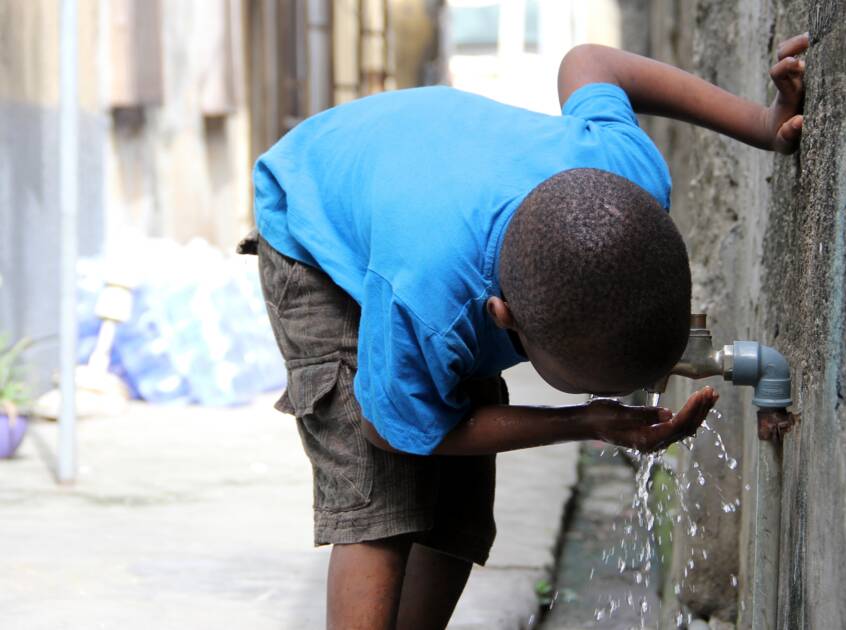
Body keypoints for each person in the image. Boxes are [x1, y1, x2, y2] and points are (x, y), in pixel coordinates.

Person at [240, 33, 809, 630]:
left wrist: (763, 125)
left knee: (459, 502)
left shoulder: (629, 175)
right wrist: (581, 422)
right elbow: (387, 431)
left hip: (423, 180)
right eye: (584, 387)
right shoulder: (430, 302)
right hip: (313, 217)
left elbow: (591, 62)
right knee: (380, 498)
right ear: (502, 317)